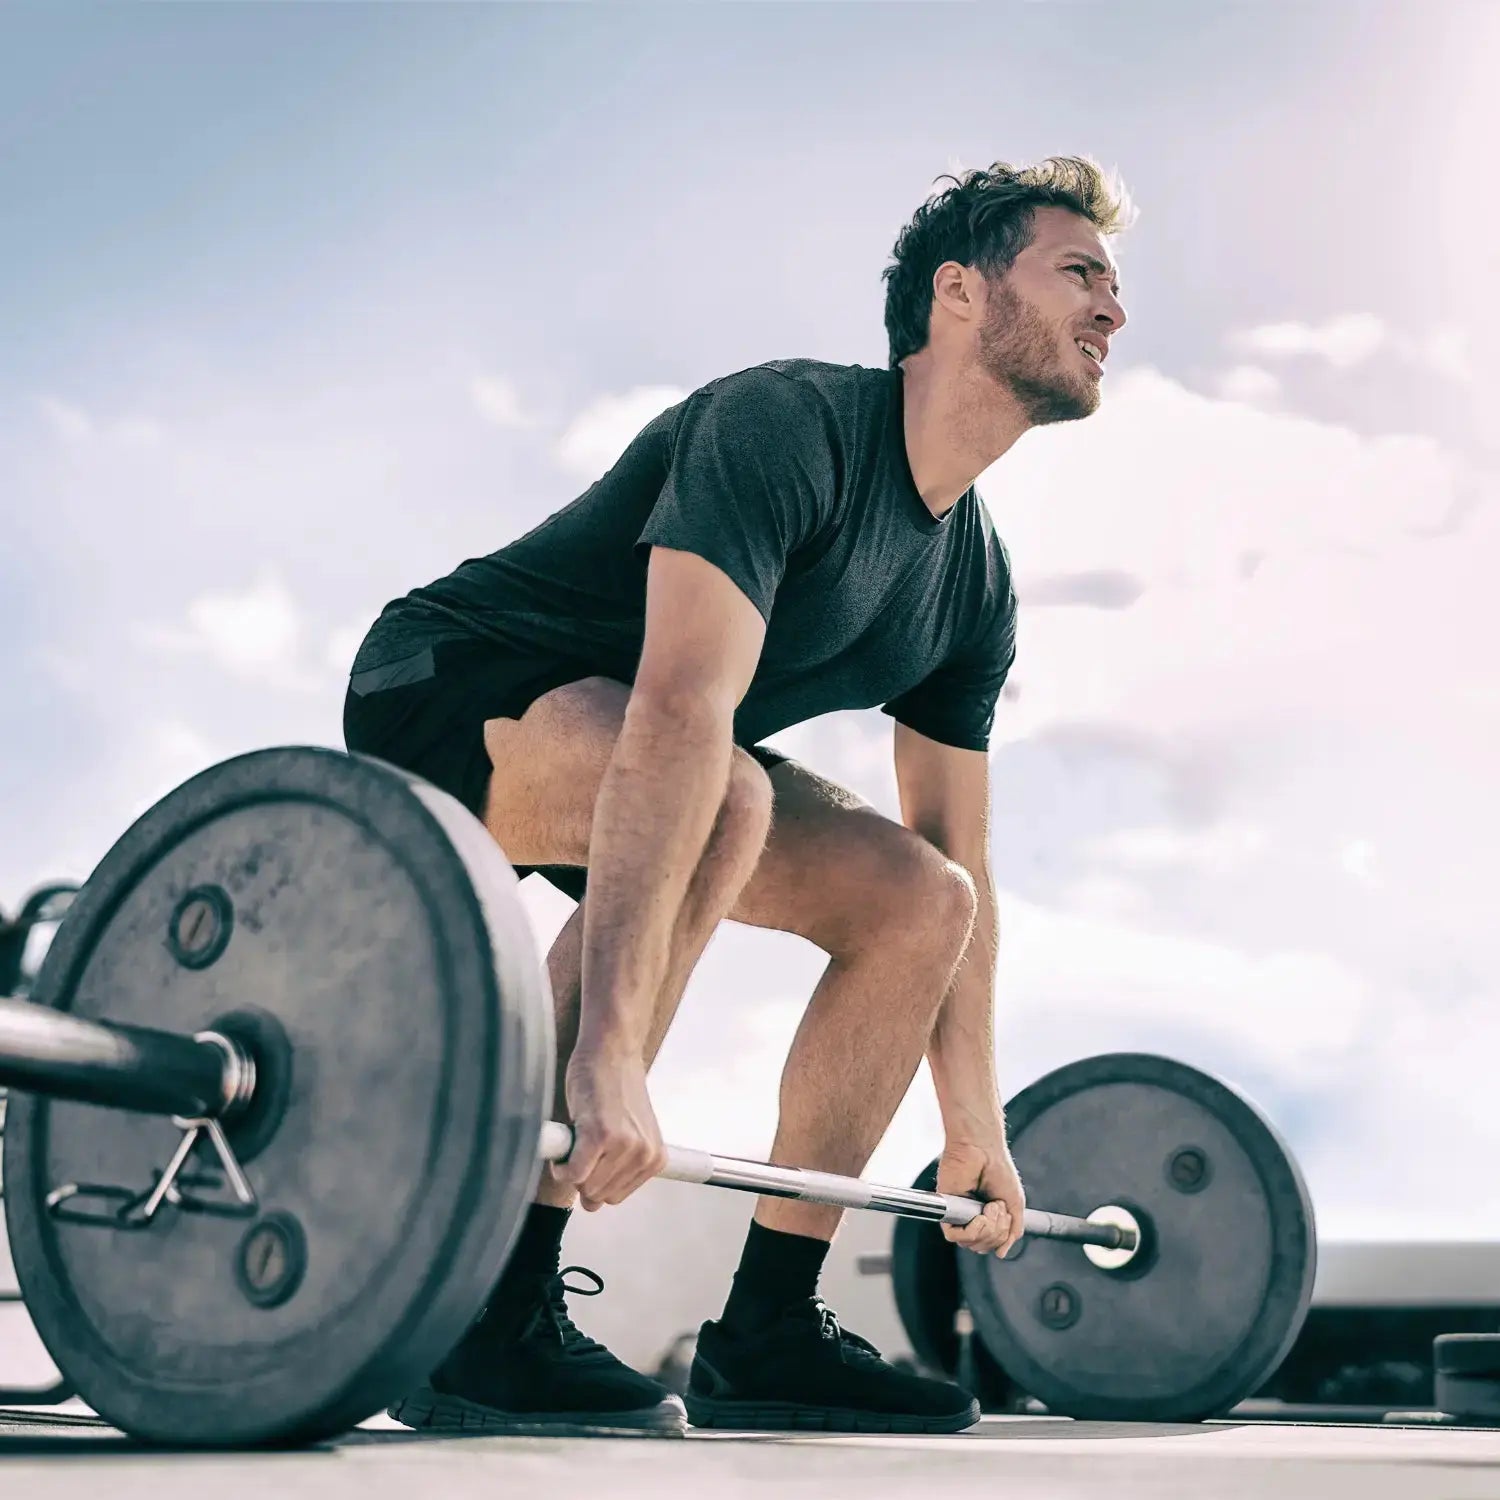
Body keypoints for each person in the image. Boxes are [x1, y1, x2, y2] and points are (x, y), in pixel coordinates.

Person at [344, 155, 1132, 1437]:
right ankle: (490, 1313)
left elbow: (960, 857)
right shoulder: (787, 424)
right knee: (726, 799)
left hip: (665, 755)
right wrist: (605, 1052)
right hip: (445, 686)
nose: (1113, 311)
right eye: (1080, 273)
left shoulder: (972, 584)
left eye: (1114, 285)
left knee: (919, 900)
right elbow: (678, 712)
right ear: (961, 296)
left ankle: (768, 1327)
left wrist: (971, 1121)